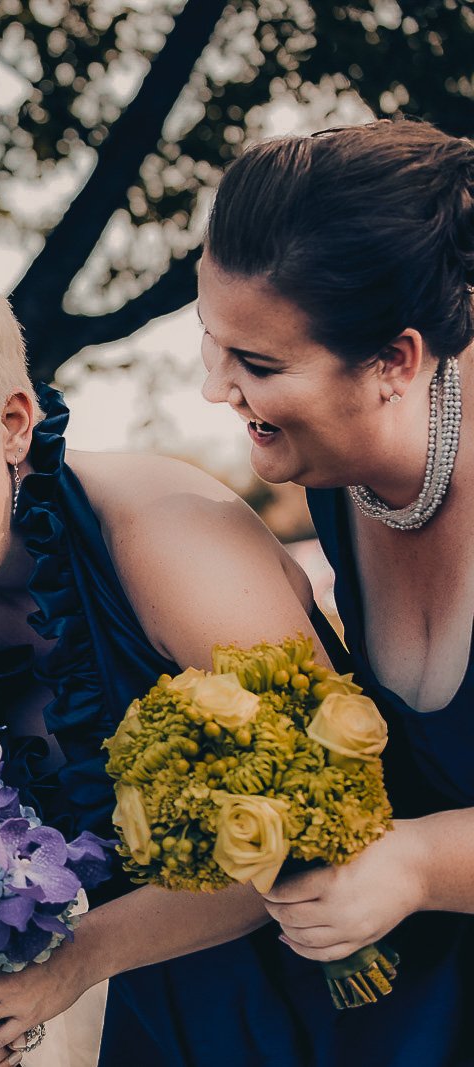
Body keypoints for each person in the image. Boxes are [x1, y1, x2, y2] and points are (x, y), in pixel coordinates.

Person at [0, 240, 338, 1067]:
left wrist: (73, 960)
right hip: (164, 1011)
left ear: (14, 423)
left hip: (345, 981)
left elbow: (325, 811)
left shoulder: (167, 539)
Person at [198, 117, 474, 1066]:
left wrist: (420, 863)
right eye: (212, 342)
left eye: (259, 366)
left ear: (396, 361)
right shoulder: (328, 470)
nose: (214, 389)